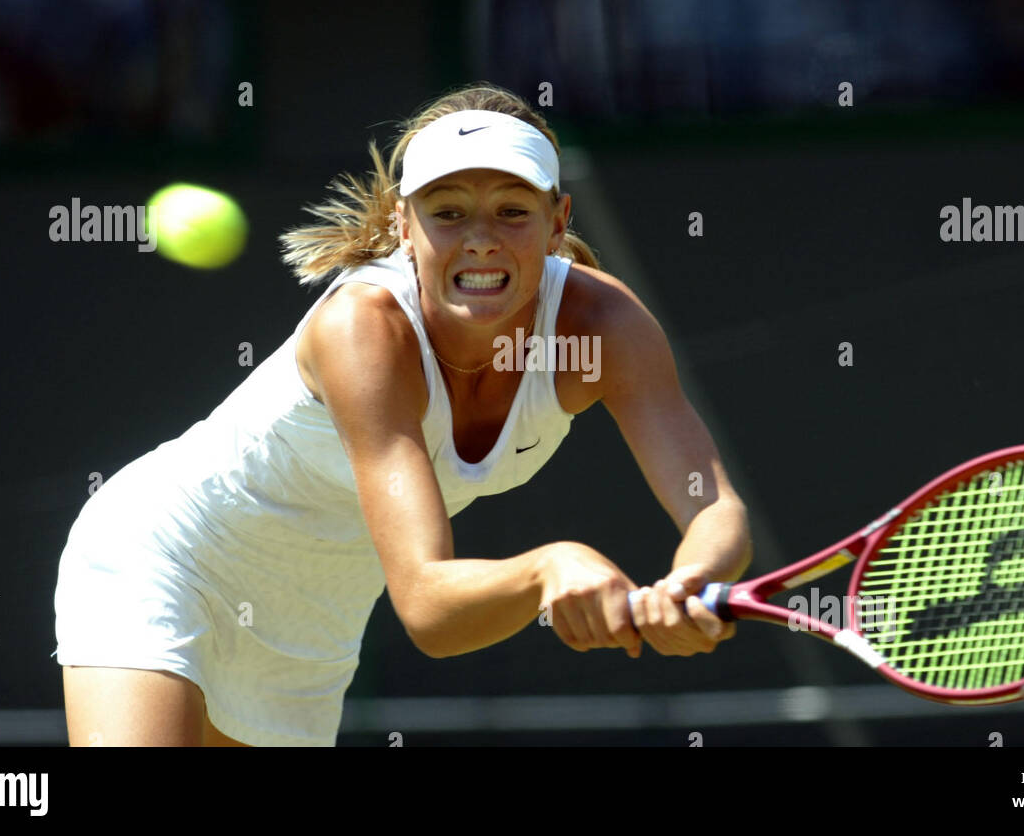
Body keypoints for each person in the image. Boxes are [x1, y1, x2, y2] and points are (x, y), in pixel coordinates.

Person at [54, 82, 752, 747]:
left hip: (313, 621)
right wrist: (551, 567)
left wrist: (692, 582)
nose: (481, 239)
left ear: (557, 222)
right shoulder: (364, 327)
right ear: (403, 225)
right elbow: (426, 607)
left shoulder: (603, 326)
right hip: (167, 556)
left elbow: (713, 504)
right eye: (447, 211)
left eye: (513, 210)